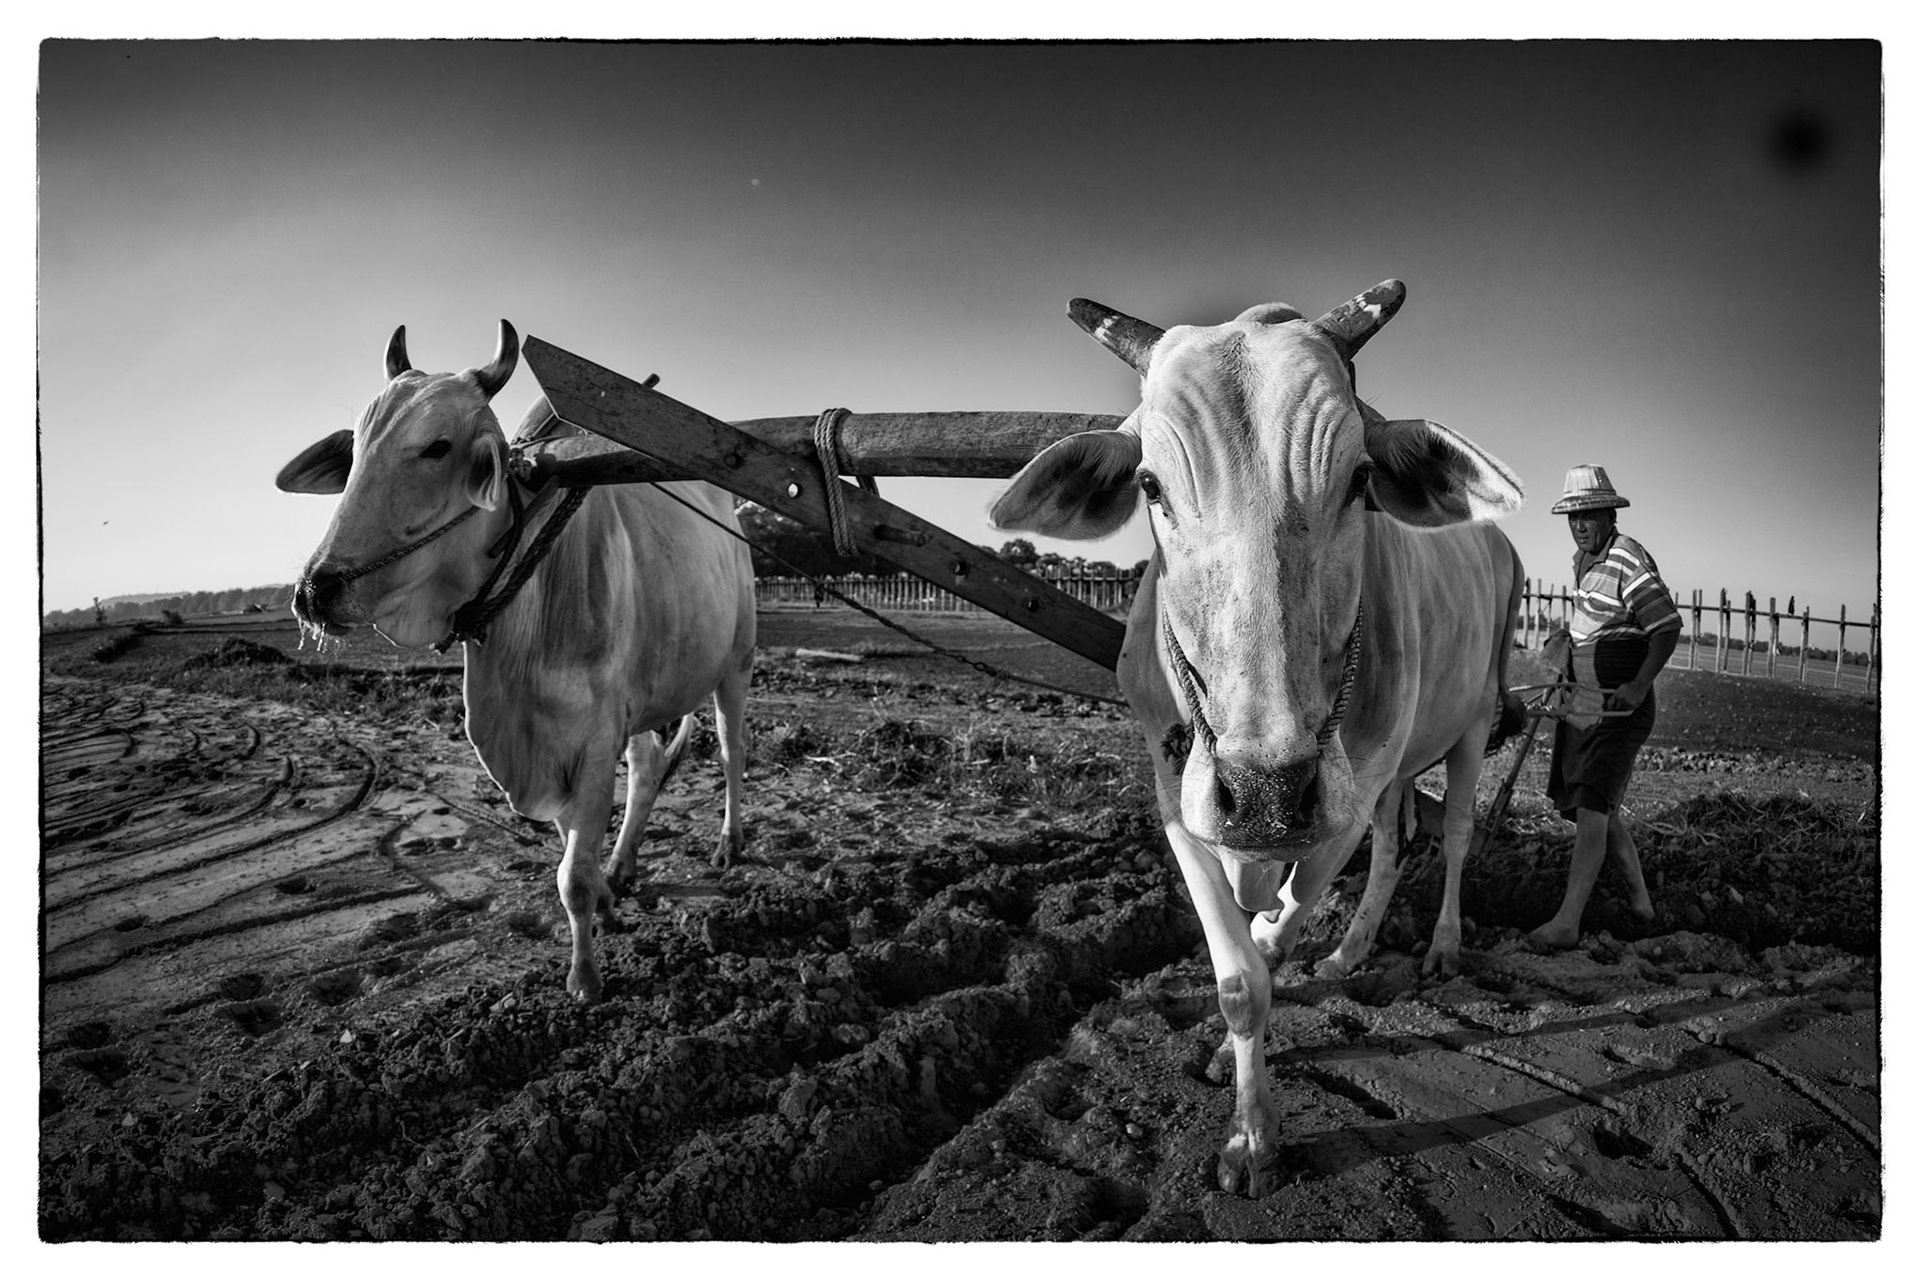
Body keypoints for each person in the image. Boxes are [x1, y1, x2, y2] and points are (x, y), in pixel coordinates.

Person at [1529, 464, 1681, 949]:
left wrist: (1638, 685)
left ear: (1609, 514)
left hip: (1620, 709)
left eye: (1588, 515)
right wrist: (1564, 651)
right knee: (1601, 809)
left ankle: (1568, 922)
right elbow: (1592, 625)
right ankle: (1640, 903)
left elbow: (1667, 626)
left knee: (1594, 806)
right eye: (1572, 516)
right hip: (1586, 704)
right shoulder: (1583, 560)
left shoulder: (1627, 557)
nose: (1579, 524)